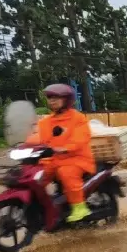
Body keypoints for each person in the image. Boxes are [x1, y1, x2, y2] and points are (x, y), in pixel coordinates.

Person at [32, 83, 95, 223]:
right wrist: (24, 147)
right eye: (49, 97)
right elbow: (37, 139)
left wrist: (66, 147)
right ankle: (44, 207)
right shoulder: (45, 122)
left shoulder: (77, 118)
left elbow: (82, 137)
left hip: (76, 159)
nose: (52, 100)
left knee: (66, 173)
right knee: (36, 176)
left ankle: (80, 208)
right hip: (54, 159)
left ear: (66, 100)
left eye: (56, 97)